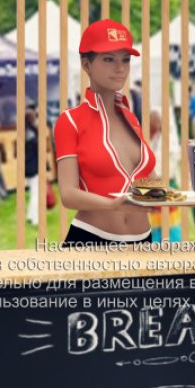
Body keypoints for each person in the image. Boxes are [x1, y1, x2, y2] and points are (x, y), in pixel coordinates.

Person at [53, 19, 159, 245]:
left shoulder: (131, 119)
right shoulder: (70, 121)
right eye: (109, 59)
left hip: (143, 242)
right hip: (91, 242)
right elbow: (68, 195)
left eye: (125, 59)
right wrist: (112, 204)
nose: (120, 68)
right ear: (86, 64)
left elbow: (150, 184)